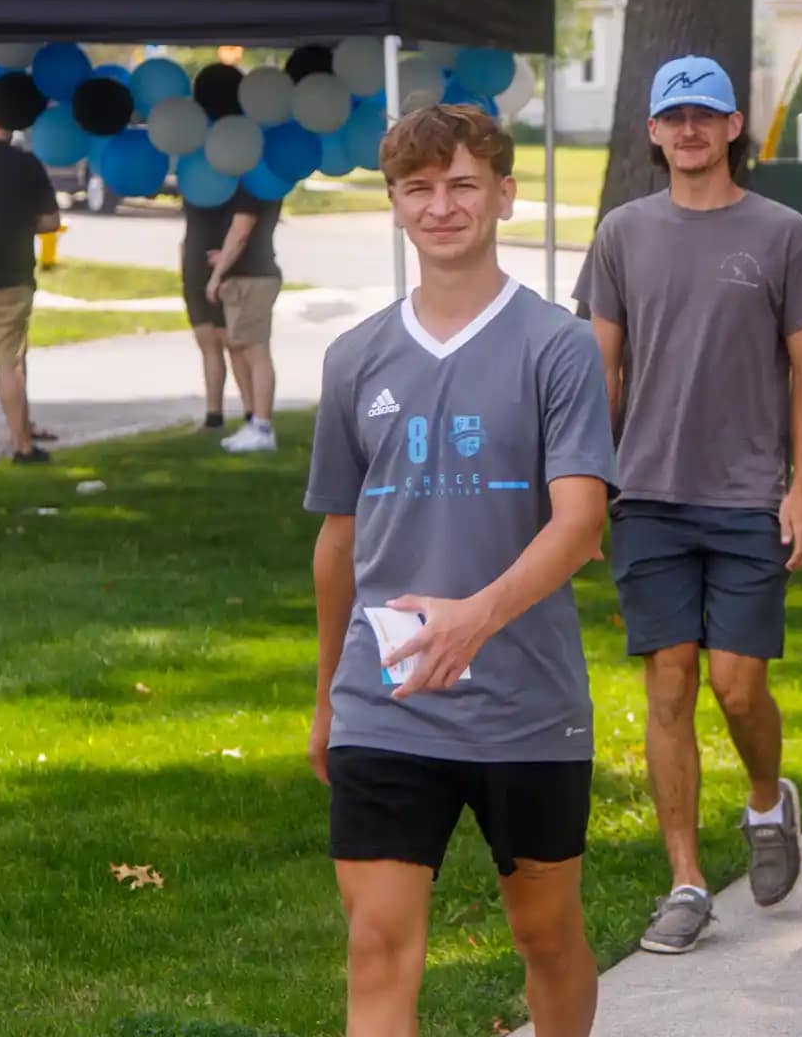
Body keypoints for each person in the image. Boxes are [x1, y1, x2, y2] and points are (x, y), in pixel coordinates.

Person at [304, 105, 617, 1035]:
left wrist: (475, 618)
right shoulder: (355, 358)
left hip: (527, 704)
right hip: (385, 699)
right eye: (419, 189)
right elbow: (337, 540)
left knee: (546, 934)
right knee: (377, 942)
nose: (441, 207)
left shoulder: (556, 346)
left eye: (462, 185)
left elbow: (582, 522)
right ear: (396, 205)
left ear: (504, 194)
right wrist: (329, 693)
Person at [572, 55, 802, 955]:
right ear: (652, 132)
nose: (689, 131)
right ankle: (686, 881)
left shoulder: (783, 232)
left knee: (738, 683)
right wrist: (582, 480)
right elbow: (599, 365)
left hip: (748, 496)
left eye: (706, 116)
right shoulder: (621, 233)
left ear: (732, 129)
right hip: (645, 492)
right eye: (673, 117)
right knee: (671, 680)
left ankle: (767, 802)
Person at [0, 104, 60, 464]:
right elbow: (50, 222)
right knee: (9, 366)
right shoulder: (27, 165)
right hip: (11, 280)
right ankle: (22, 445)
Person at [182, 179, 283, 451]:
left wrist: (216, 275)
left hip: (254, 277)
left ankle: (262, 426)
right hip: (244, 277)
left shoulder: (255, 185)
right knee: (240, 348)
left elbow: (241, 231)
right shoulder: (258, 182)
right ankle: (254, 423)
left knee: (255, 351)